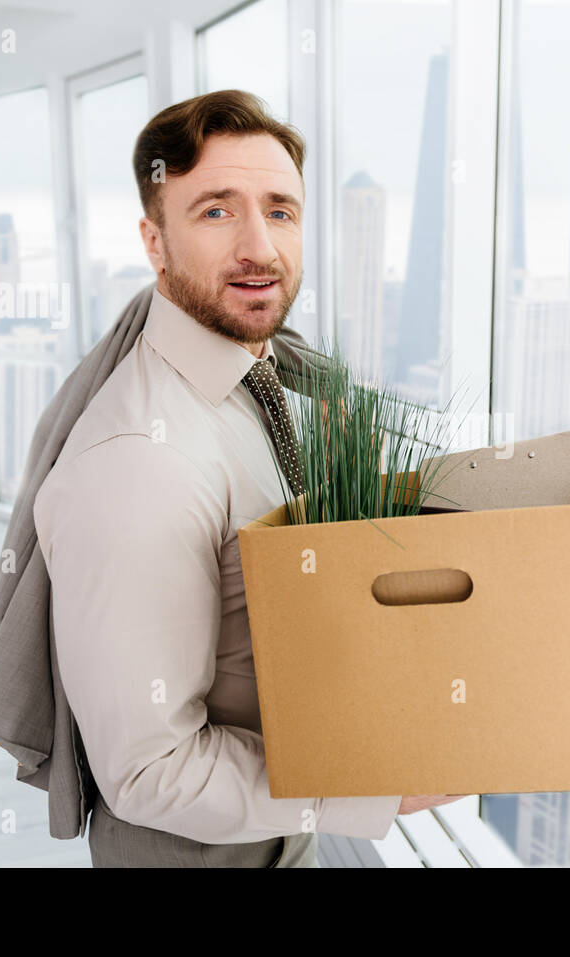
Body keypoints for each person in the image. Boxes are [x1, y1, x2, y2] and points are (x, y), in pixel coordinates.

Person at [34, 89, 464, 868]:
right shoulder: (139, 461)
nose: (260, 247)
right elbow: (148, 768)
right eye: (215, 211)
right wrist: (369, 791)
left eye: (281, 210)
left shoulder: (269, 390)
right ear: (154, 242)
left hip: (279, 838)